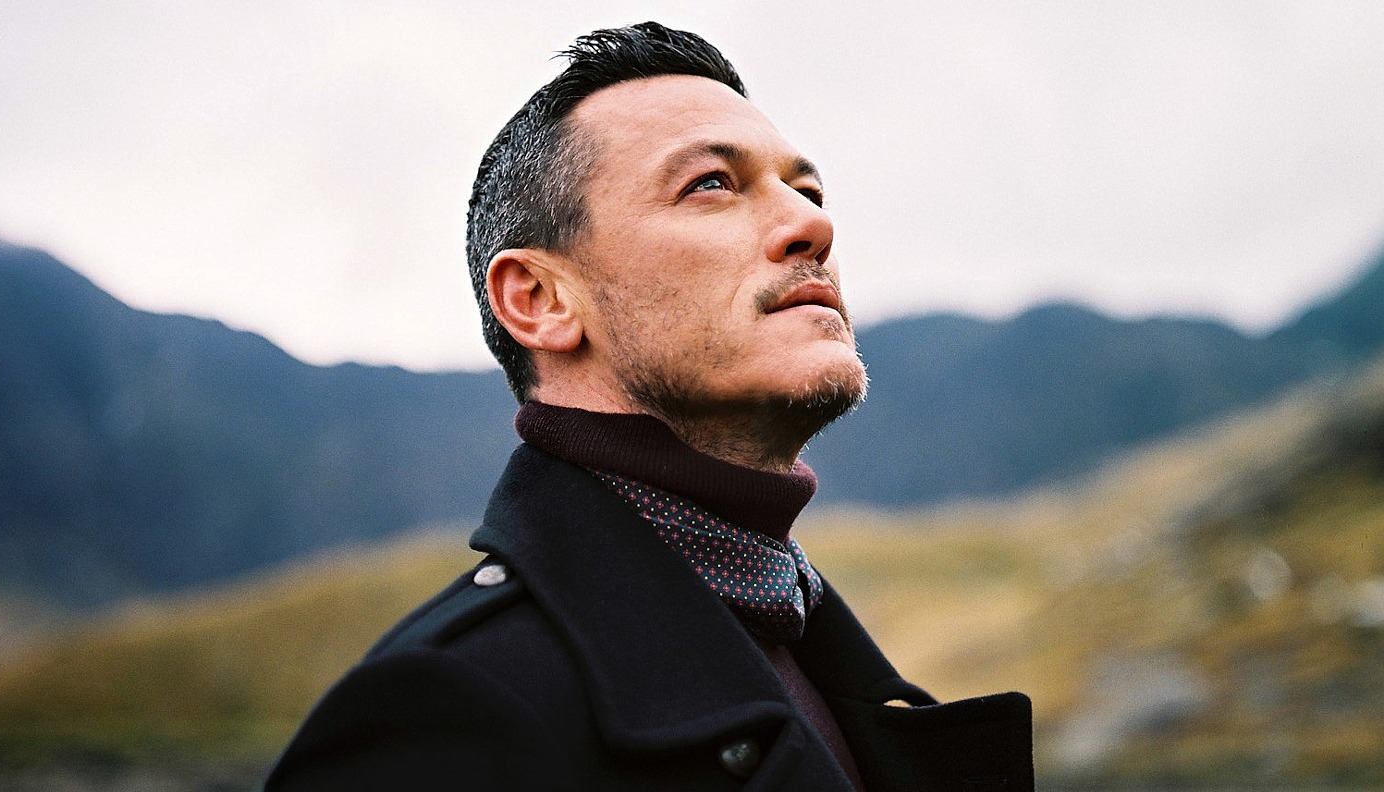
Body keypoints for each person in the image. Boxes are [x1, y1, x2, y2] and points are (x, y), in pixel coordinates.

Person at [266, 22, 1033, 791]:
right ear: (540, 300)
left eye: (807, 192)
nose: (815, 225)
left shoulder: (806, 647)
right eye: (711, 184)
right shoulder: (444, 716)